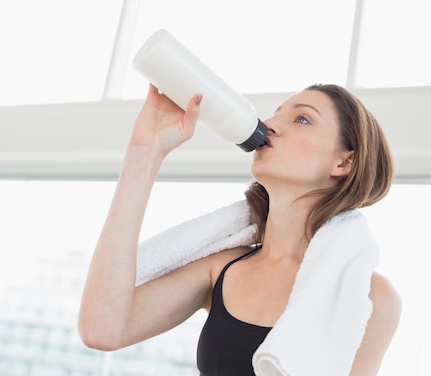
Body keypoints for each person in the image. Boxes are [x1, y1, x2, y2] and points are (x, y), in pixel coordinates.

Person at [78, 83, 402, 376]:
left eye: (302, 119)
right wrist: (145, 150)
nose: (269, 124)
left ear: (344, 163)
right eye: (275, 113)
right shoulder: (221, 269)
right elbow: (103, 329)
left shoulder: (369, 296)